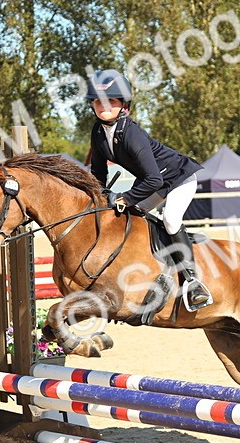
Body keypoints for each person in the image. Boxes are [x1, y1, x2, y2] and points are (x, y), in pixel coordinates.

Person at [85, 69, 213, 310]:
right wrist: (97, 195)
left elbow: (154, 179)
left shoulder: (131, 133)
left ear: (123, 104)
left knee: (171, 219)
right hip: (152, 181)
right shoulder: (98, 132)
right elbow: (99, 173)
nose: (103, 106)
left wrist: (125, 197)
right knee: (130, 216)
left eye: (110, 100)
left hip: (178, 177)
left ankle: (193, 282)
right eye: (97, 101)